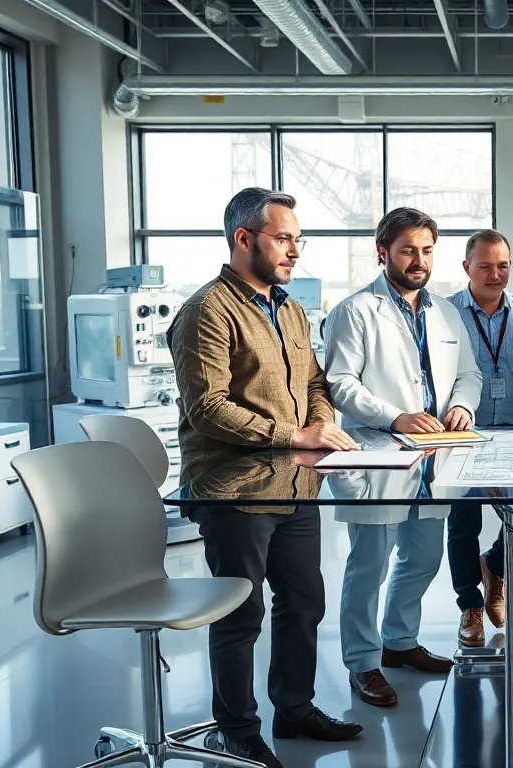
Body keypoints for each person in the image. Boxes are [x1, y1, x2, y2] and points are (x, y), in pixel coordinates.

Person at [168, 187, 364, 768]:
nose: (294, 251)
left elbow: (314, 383)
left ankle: (294, 710)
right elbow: (208, 408)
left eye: (298, 240)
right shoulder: (207, 310)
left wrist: (321, 426)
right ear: (243, 238)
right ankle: (236, 730)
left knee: (304, 602)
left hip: (296, 485)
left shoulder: (290, 308)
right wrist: (294, 435)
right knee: (240, 613)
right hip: (233, 492)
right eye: (283, 239)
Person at [323, 206, 483, 708]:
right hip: (378, 455)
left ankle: (399, 641)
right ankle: (362, 663)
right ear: (383, 253)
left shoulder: (446, 312)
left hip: (435, 456)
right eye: (408, 250)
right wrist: (395, 417)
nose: (419, 260)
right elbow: (340, 383)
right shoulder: (355, 310)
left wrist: (462, 405)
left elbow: (469, 374)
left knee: (424, 557)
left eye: (427, 250)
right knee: (369, 565)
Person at [445, 229, 513, 646]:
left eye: (503, 266)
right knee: (462, 524)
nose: (495, 274)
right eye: (485, 266)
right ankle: (470, 607)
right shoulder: (445, 313)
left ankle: (495, 566)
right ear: (467, 267)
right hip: (463, 433)